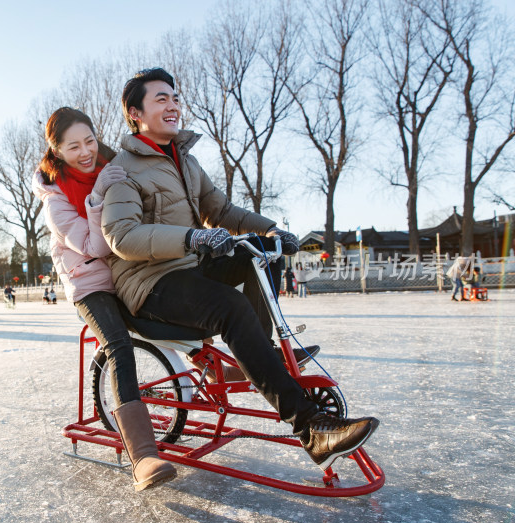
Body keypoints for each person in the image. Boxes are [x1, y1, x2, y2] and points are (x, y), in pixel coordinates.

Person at [100, 68, 378, 471]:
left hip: (190, 266)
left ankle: (258, 353)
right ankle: (310, 429)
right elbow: (121, 236)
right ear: (135, 113)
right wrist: (191, 238)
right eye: (161, 99)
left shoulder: (185, 160)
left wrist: (270, 230)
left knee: (261, 253)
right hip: (149, 282)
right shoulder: (124, 169)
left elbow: (222, 211)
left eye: (175, 97)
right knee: (230, 305)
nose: (173, 105)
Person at [33, 106, 176, 491]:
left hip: (127, 270)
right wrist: (97, 197)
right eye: (74, 146)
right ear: (57, 151)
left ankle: (211, 364)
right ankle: (143, 455)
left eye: (90, 141)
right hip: (90, 283)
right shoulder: (56, 200)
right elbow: (95, 246)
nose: (85, 152)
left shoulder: (114, 165)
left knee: (168, 306)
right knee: (118, 343)